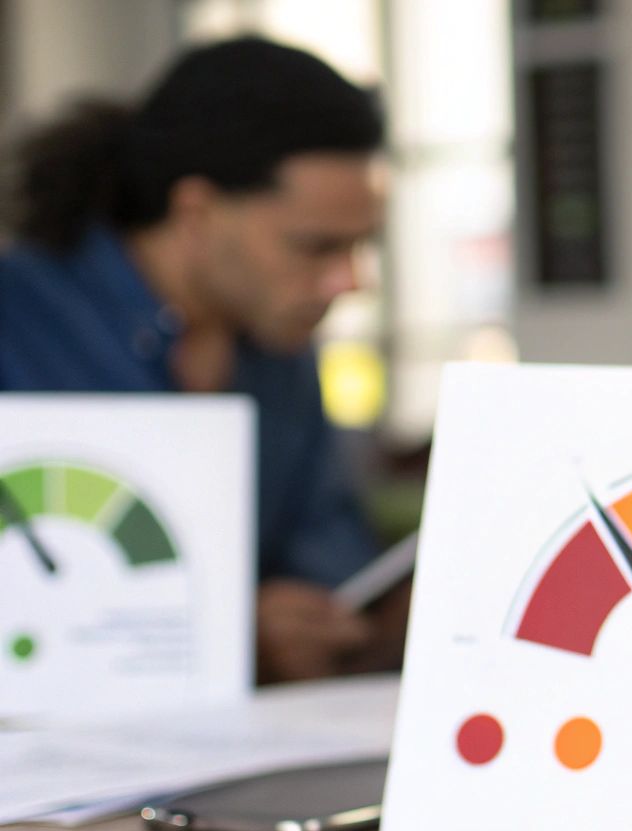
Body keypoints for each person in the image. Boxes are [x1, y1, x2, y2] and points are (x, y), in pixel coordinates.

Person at [0, 37, 406, 682]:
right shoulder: (20, 324)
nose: (348, 282)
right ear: (197, 212)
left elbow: (332, 555)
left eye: (360, 247)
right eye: (315, 247)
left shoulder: (284, 355)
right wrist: (223, 635)